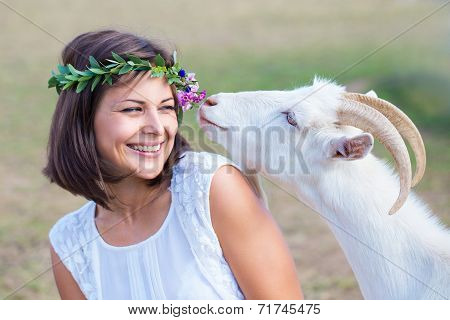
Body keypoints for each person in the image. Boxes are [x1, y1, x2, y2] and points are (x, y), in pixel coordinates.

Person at [43, 29, 303, 300]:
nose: (157, 128)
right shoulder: (69, 242)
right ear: (83, 120)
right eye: (133, 109)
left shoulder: (212, 188)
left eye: (166, 107)